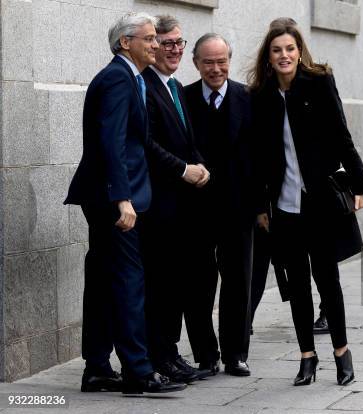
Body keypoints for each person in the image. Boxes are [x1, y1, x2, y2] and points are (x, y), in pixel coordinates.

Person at [64, 12, 186, 394]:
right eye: (149, 38)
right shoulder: (118, 78)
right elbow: (111, 142)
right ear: (125, 43)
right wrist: (122, 199)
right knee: (129, 283)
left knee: (102, 283)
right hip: (112, 198)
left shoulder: (129, 78)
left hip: (107, 195)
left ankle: (98, 368)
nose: (156, 44)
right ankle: (138, 371)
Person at [248, 20, 363, 386]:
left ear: (299, 51)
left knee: (327, 278)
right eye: (276, 50)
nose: (284, 55)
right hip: (284, 206)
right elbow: (257, 160)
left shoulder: (319, 83)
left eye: (289, 48)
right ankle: (307, 357)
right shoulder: (261, 96)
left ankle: (341, 353)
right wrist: (259, 207)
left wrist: (360, 184)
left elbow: (342, 135)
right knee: (297, 284)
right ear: (268, 58)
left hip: (319, 202)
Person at [139, 14, 211, 383]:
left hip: (181, 206)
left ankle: (171, 354)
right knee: (160, 286)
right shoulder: (145, 86)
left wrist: (201, 165)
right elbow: (147, 144)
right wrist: (184, 169)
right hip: (158, 204)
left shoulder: (176, 87)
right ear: (152, 47)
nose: (174, 50)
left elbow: (186, 139)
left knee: (175, 285)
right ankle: (158, 356)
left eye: (180, 43)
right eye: (166, 43)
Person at [184, 33, 259, 376]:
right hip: (195, 208)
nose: (216, 69)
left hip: (238, 208)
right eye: (208, 62)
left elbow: (263, 156)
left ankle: (235, 354)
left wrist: (261, 206)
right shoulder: (182, 99)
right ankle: (206, 355)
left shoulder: (249, 98)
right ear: (195, 63)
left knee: (238, 282)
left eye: (222, 61)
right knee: (197, 283)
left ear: (230, 60)